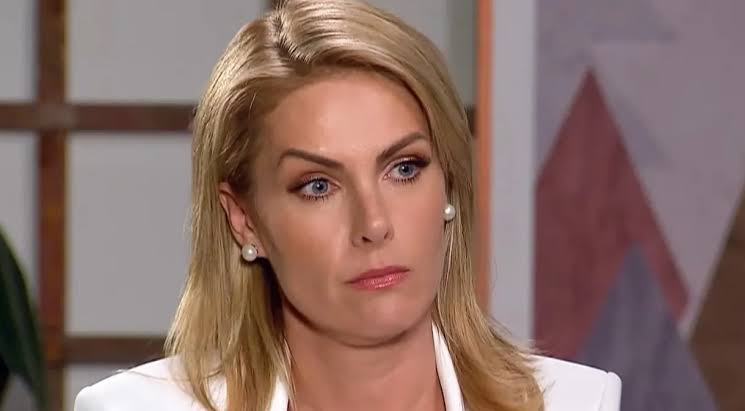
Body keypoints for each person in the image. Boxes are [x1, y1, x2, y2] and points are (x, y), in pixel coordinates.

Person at [74, 0, 621, 410]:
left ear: (449, 187)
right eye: (318, 186)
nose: (374, 224)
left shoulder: (575, 403)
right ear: (245, 220)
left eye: (404, 169)